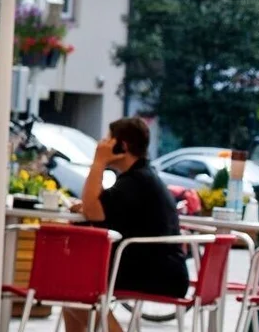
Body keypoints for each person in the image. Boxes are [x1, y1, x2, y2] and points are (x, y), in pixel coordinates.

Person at [65, 117, 188, 332]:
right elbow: (97, 206)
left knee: (76, 289)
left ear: (123, 146)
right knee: (72, 294)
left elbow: (93, 209)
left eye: (108, 140)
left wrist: (98, 162)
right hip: (164, 270)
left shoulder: (136, 181)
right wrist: (89, 204)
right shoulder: (140, 178)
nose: (102, 144)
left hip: (156, 274)